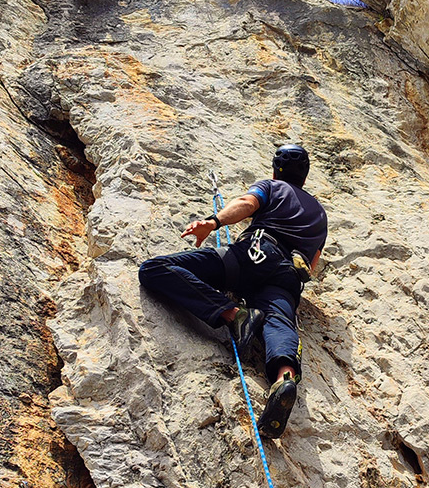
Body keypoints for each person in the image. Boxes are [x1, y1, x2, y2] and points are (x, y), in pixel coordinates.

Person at [138, 145, 327, 438]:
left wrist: (212, 223)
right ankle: (284, 378)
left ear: (276, 169)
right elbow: (311, 265)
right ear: (304, 176)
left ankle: (235, 315)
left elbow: (247, 204)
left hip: (250, 256)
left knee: (154, 269)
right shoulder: (319, 215)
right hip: (286, 278)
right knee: (280, 322)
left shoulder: (272, 187)